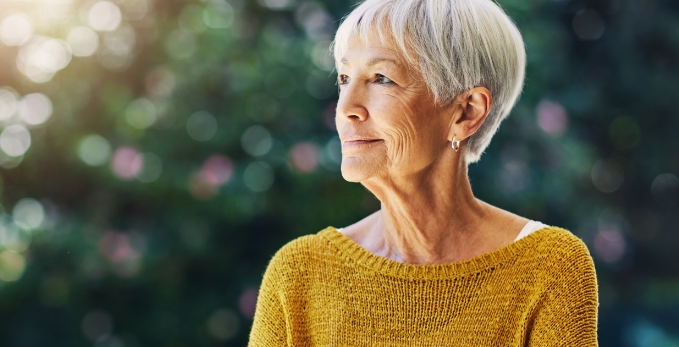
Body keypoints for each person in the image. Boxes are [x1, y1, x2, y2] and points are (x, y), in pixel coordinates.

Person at [247, 0, 599, 345]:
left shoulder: (550, 269)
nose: (346, 108)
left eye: (380, 78)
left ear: (466, 113)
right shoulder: (298, 273)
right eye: (344, 78)